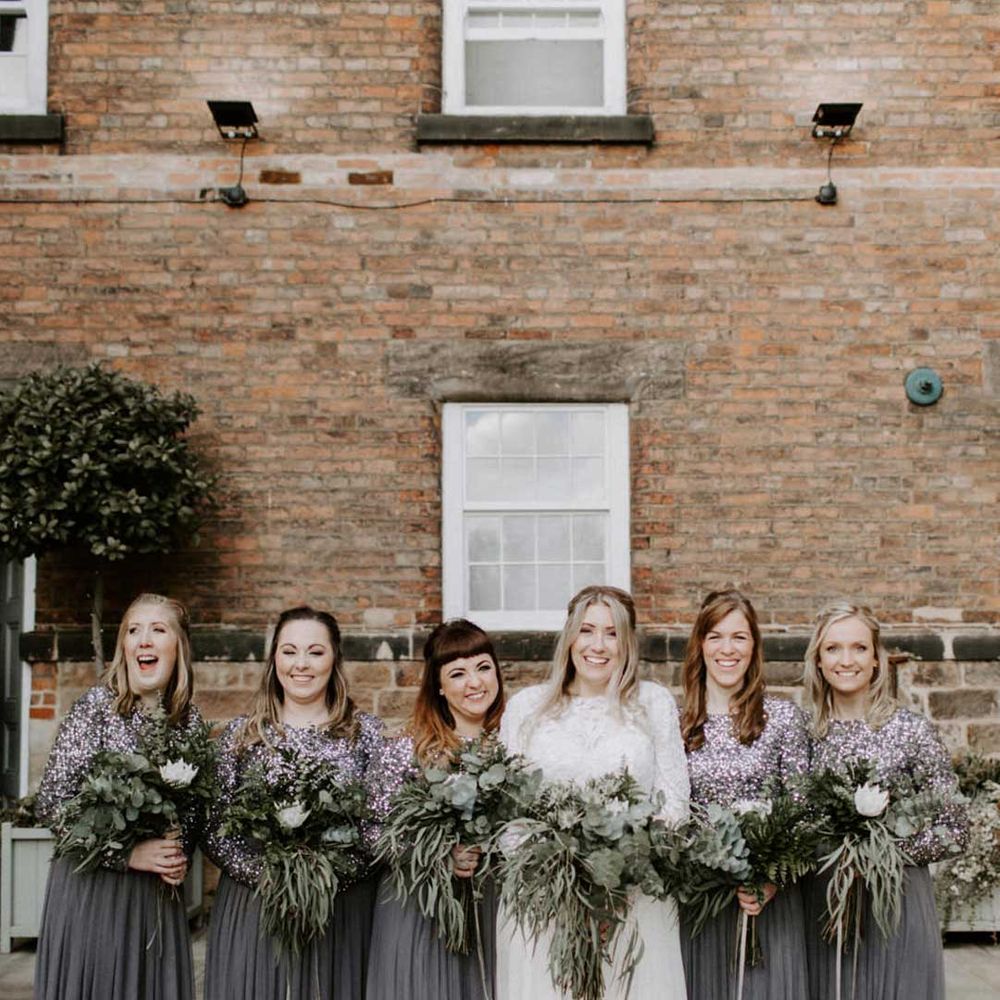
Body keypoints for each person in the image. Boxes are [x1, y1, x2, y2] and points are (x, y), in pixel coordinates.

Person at [496, 585, 690, 1000]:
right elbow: (509, 815)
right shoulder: (526, 708)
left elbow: (674, 804)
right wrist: (561, 880)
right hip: (548, 903)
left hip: (633, 903)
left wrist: (618, 875)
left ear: (628, 642)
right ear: (569, 636)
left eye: (612, 633)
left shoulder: (653, 704)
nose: (598, 645)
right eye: (587, 630)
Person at [202, 606, 382, 1000]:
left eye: (315, 652)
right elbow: (214, 826)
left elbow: (380, 825)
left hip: (341, 911)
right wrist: (273, 879)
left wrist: (323, 880)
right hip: (256, 907)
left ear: (335, 659)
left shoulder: (366, 734)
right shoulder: (241, 735)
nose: (301, 664)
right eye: (289, 651)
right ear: (274, 659)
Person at [34, 593, 200, 1000]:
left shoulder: (189, 722)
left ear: (178, 646)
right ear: (123, 646)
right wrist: (126, 855)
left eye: (157, 630)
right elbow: (53, 802)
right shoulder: (96, 707)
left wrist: (179, 854)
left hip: (155, 902)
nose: (143, 640)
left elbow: (194, 809)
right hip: (94, 892)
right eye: (133, 630)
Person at [801, 600, 968, 1000]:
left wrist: (883, 855)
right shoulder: (802, 732)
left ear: (877, 660)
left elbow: (956, 828)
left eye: (859, 648)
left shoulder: (910, 730)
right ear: (818, 661)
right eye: (833, 648)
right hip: (821, 903)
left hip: (896, 904)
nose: (847, 660)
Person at [679, 589, 810, 1000]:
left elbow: (802, 811)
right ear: (700, 645)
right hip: (700, 902)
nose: (727, 649)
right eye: (716, 636)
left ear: (754, 647)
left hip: (768, 901)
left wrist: (770, 879)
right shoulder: (675, 721)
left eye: (739, 637)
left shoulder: (783, 718)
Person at [366, 618, 506, 1000]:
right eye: (458, 673)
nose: (475, 683)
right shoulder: (407, 748)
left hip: (493, 907)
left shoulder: (516, 743)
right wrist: (440, 855)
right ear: (439, 687)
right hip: (419, 911)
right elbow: (374, 833)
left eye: (482, 667)